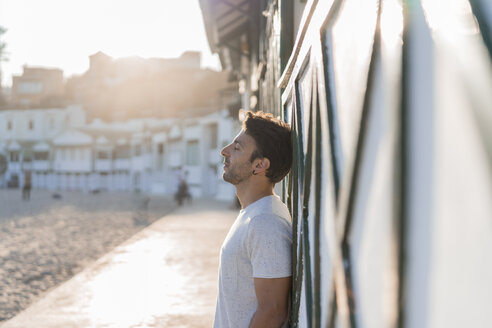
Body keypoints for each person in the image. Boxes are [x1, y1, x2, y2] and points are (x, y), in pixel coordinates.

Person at [214, 111, 293, 328]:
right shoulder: (253, 214)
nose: (225, 151)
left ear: (259, 165)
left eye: (237, 148)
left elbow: (273, 312)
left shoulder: (265, 222)